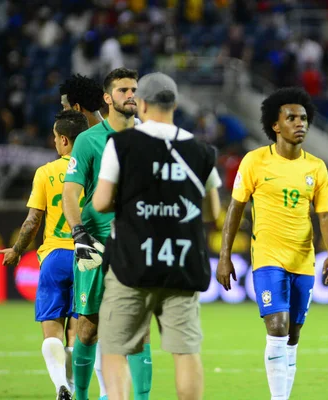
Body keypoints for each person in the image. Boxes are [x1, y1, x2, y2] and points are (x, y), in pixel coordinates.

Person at [93, 72, 222, 400]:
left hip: (131, 265)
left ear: (142, 104)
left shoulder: (120, 144)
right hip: (182, 265)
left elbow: (102, 202)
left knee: (114, 349)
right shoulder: (201, 150)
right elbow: (213, 212)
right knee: (186, 351)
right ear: (175, 104)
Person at [216, 87, 328, 400]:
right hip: (268, 258)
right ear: (276, 125)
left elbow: (326, 216)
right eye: (292, 118)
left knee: (293, 334)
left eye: (303, 118)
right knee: (277, 327)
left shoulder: (316, 168)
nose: (300, 123)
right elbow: (236, 208)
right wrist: (225, 255)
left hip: (303, 259)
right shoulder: (254, 162)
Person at [62, 68, 153, 400]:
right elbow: (70, 193)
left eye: (134, 90)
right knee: (88, 329)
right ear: (107, 98)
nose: (131, 95)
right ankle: (82, 396)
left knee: (139, 331)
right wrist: (79, 234)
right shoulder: (88, 140)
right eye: (123, 90)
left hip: (136, 247)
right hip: (96, 244)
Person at [0, 110, 89, 400]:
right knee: (77, 333)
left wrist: (16, 250)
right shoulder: (95, 171)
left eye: (54, 137)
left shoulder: (46, 172)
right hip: (85, 258)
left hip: (53, 258)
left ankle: (59, 385)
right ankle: (74, 389)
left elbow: (31, 221)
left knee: (52, 330)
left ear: (63, 139)